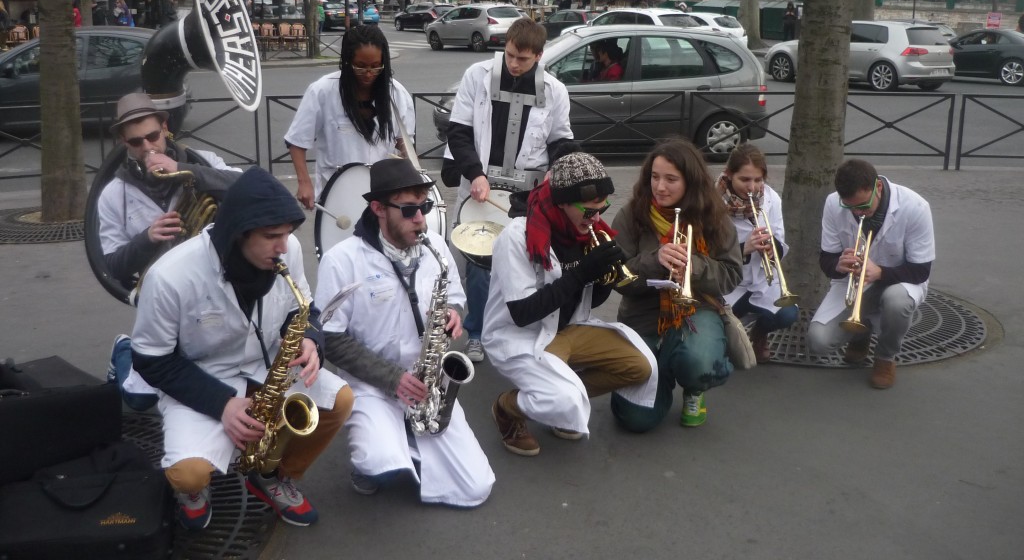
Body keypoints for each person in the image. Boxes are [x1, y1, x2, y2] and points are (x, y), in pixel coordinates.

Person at [129, 167, 354, 531]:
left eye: (287, 234)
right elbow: (150, 361)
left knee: (340, 401)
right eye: (271, 236)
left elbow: (303, 308)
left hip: (265, 365)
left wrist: (312, 338)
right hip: (201, 378)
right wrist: (222, 404)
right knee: (188, 475)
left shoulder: (286, 248)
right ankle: (193, 494)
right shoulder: (170, 276)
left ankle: (272, 473)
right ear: (237, 233)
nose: (284, 246)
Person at [319, 158, 495, 506]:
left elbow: (456, 299)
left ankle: (407, 441)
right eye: (410, 209)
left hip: (427, 383)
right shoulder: (341, 260)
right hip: (373, 385)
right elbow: (331, 339)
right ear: (378, 209)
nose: (421, 218)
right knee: (378, 462)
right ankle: (385, 450)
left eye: (425, 207)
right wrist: (392, 378)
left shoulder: (436, 248)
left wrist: (455, 316)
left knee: (477, 488)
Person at [482, 152, 658, 455]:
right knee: (565, 399)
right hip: (524, 335)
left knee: (640, 367)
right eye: (589, 212)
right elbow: (523, 313)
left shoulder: (587, 231)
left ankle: (557, 401)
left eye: (602, 209)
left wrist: (604, 279)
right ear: (563, 201)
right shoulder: (517, 236)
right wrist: (583, 273)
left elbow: (588, 299)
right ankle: (509, 407)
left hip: (569, 328)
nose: (597, 219)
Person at [442, 17, 578, 364]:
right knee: (478, 260)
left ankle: (515, 327)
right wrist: (474, 173)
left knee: (525, 261)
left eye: (523, 59)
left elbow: (561, 140)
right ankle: (475, 331)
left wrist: (554, 175)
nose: (514, 64)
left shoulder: (555, 90)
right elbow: (458, 131)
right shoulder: (477, 76)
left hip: (526, 194)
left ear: (539, 56)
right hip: (481, 185)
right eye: (510, 55)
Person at [98, 93, 243, 411]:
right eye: (136, 142)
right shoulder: (113, 194)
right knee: (140, 399)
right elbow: (111, 266)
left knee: (218, 380)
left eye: (152, 136)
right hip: (158, 300)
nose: (148, 147)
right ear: (125, 143)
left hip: (212, 289)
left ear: (165, 127)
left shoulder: (201, 161)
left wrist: (184, 170)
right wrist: (147, 239)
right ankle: (124, 349)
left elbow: (253, 189)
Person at [609, 138, 742, 431]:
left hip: (697, 310)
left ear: (690, 182)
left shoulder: (713, 216)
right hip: (642, 317)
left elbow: (732, 275)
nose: (660, 187)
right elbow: (616, 277)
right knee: (635, 420)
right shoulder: (631, 215)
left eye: (671, 179)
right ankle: (661, 371)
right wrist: (655, 260)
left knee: (699, 362)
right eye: (654, 177)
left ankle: (694, 387)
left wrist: (695, 266)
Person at [807, 159, 934, 390]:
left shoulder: (915, 207)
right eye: (850, 207)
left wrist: (880, 273)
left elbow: (921, 270)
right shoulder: (833, 203)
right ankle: (860, 333)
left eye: (863, 206)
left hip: (901, 282)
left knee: (896, 302)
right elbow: (826, 259)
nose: (857, 213)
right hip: (854, 284)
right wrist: (838, 264)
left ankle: (886, 357)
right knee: (818, 341)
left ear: (877, 187)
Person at [285, 24, 414, 211]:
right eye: (360, 67)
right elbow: (297, 141)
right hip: (337, 197)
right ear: (347, 62)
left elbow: (404, 141)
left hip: (382, 197)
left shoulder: (397, 94)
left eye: (376, 66)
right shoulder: (322, 91)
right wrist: (304, 183)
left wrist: (410, 163)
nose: (369, 73)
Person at [716, 143, 798, 363]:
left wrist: (773, 247)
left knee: (788, 314)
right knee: (720, 338)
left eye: (758, 180)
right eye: (744, 180)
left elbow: (780, 240)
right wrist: (744, 248)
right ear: (729, 175)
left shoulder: (771, 199)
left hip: (763, 279)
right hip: (729, 283)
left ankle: (759, 333)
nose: (752, 187)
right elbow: (709, 253)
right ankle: (730, 332)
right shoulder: (712, 202)